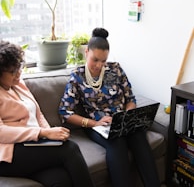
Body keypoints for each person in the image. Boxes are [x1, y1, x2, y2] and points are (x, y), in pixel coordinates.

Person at [59, 27, 161, 187]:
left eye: (103, 60)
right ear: (86, 52)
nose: (99, 65)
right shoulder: (77, 77)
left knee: (138, 135)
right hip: (98, 125)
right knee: (117, 141)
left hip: (122, 120)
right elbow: (65, 112)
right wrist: (94, 123)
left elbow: (130, 98)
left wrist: (128, 115)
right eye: (95, 59)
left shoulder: (116, 69)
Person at [0, 40, 94, 187]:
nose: (18, 73)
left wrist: (50, 133)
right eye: (12, 71)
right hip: (9, 154)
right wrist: (43, 133)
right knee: (70, 149)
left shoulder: (18, 84)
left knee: (60, 180)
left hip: (32, 146)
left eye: (19, 67)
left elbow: (38, 114)